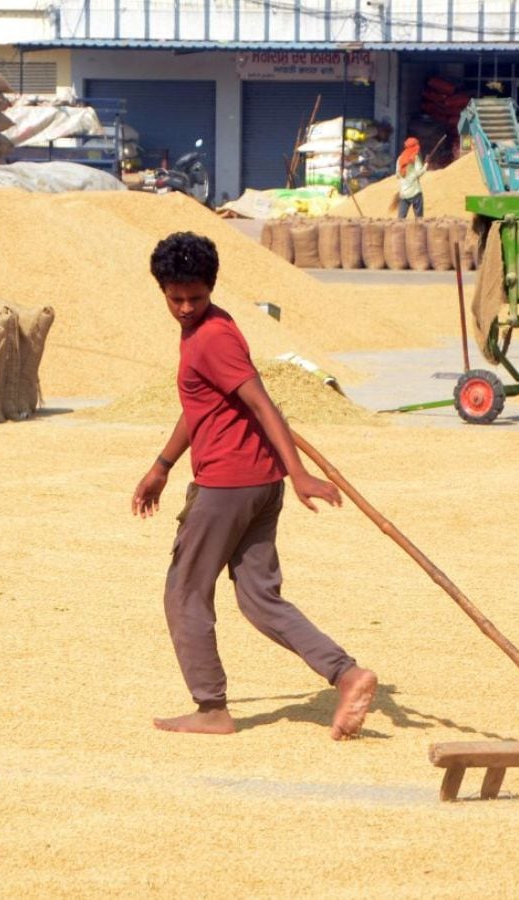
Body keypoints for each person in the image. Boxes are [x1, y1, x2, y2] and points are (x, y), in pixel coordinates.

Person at [132, 232, 379, 740]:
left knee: (185, 592)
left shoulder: (212, 336)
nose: (184, 307)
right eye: (175, 298)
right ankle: (346, 675)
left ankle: (211, 709)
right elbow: (203, 406)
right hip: (259, 484)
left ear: (212, 288)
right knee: (260, 599)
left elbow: (263, 403)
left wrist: (301, 474)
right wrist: (163, 464)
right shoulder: (214, 325)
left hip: (228, 486)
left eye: (195, 298)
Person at [396, 136, 425, 219]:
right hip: (415, 192)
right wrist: (425, 166)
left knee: (401, 219)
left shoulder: (399, 159)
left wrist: (405, 177)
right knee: (419, 219)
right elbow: (419, 172)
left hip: (403, 194)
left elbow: (397, 175)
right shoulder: (415, 158)